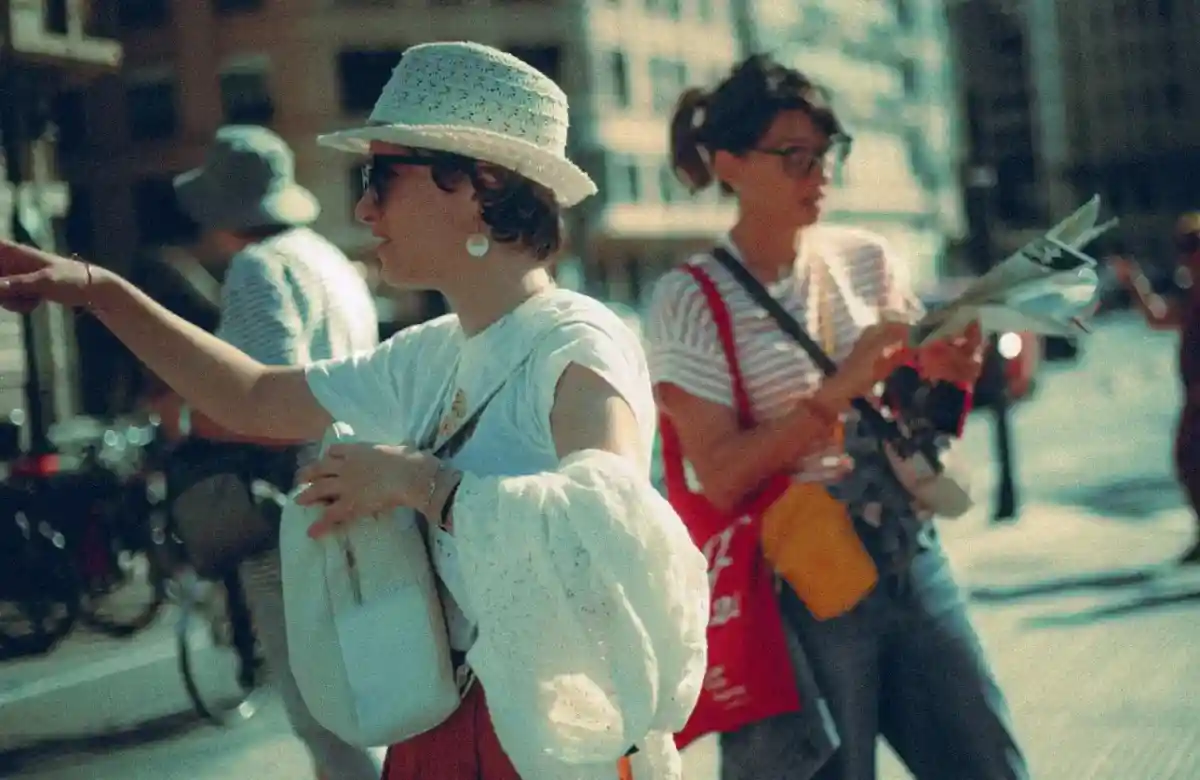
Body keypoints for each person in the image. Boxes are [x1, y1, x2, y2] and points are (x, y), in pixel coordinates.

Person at [0, 42, 707, 780]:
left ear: (483, 183)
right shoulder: (430, 351)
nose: (364, 206)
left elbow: (609, 524)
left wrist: (416, 482)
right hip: (437, 730)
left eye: (381, 176)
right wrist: (99, 291)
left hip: (553, 744)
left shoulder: (576, 341)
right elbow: (254, 397)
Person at [647, 54, 1028, 780]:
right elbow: (720, 476)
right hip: (800, 585)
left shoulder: (866, 260)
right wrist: (838, 388)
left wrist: (949, 380)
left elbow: (913, 422)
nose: (818, 173)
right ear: (728, 164)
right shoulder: (690, 298)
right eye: (794, 156)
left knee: (988, 763)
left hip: (907, 552)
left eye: (826, 153)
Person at [153, 125, 385, 780]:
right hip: (347, 492)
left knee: (321, 715)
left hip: (288, 514)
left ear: (221, 209)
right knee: (357, 699)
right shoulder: (326, 258)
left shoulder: (259, 268)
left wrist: (188, 416)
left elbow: (271, 405)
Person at [1111, 212, 1200, 564]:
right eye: (1184, 247)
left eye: (1192, 246)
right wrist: (1134, 282)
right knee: (1189, 462)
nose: (1186, 256)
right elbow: (1158, 317)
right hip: (1194, 402)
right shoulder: (1192, 296)